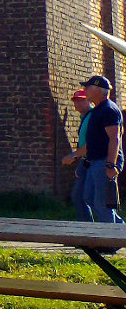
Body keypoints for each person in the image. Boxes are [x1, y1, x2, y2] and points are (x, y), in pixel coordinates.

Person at [78, 75, 124, 224]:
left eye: (88, 87)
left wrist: (111, 164)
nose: (85, 90)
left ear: (98, 90)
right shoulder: (98, 109)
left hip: (104, 161)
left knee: (102, 204)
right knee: (89, 198)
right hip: (95, 161)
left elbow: (114, 138)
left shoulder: (109, 110)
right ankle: (120, 231)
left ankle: (109, 244)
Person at [61, 89, 92, 219]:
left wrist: (74, 155)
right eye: (76, 101)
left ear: (89, 100)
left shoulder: (92, 117)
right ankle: (87, 228)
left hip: (94, 162)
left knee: (95, 201)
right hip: (86, 162)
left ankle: (118, 230)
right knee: (79, 196)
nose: (77, 104)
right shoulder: (84, 117)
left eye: (81, 100)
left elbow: (93, 143)